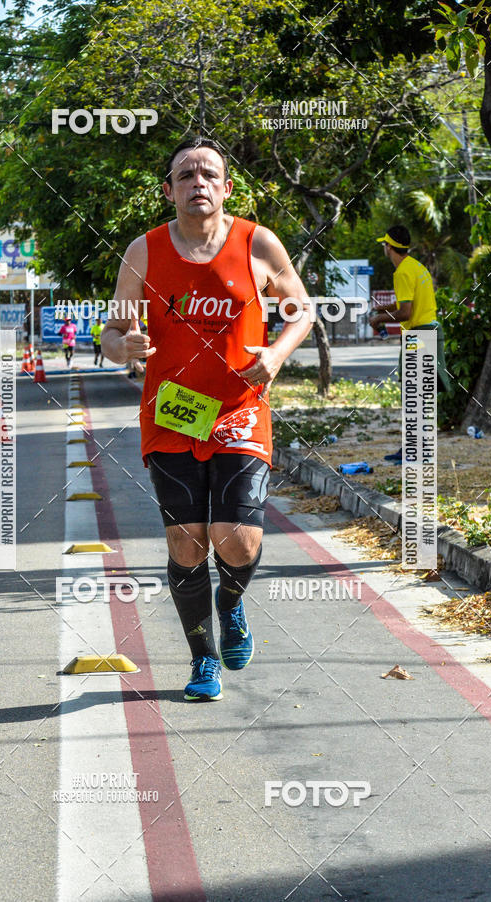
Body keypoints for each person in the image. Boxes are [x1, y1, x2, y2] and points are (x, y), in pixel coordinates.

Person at [101, 137, 313, 701]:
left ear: (226, 187)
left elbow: (302, 311)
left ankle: (233, 603)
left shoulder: (258, 243)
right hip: (171, 417)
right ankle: (203, 659)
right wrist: (122, 348)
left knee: (236, 542)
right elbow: (111, 333)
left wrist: (275, 354)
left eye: (208, 173)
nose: (198, 181)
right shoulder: (142, 253)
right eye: (185, 174)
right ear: (168, 190)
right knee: (188, 544)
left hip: (240, 412)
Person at [369, 225, 450, 463]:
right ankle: (418, 448)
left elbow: (405, 312)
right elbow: (408, 303)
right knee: (422, 396)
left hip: (418, 335)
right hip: (430, 331)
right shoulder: (416, 266)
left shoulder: (402, 272)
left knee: (413, 395)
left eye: (385, 245)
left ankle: (413, 450)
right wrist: (382, 308)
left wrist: (379, 318)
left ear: (389, 247)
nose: (385, 248)